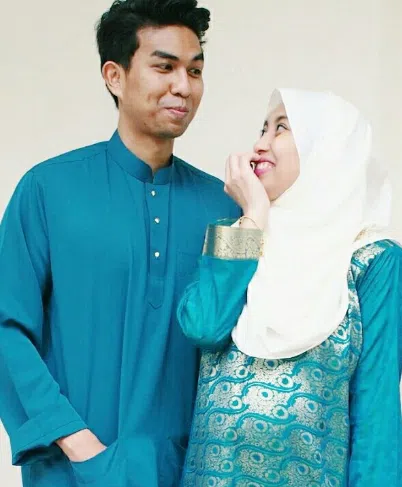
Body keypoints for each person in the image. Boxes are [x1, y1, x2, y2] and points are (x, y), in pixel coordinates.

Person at [0, 1, 240, 486]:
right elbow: (7, 327)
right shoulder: (49, 189)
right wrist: (78, 444)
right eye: (164, 67)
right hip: (74, 470)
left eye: (195, 71)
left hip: (191, 473)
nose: (183, 86)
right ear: (114, 76)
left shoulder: (224, 208)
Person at [178, 88, 402, 486]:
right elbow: (204, 327)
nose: (260, 144)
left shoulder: (371, 259)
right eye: (262, 129)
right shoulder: (237, 239)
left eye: (281, 128)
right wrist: (253, 217)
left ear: (327, 147)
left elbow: (376, 413)